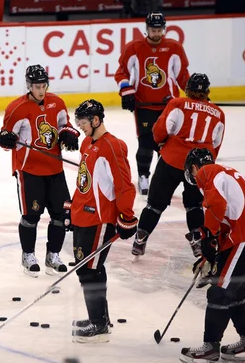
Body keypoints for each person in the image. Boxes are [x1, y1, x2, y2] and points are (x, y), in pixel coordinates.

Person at [180, 148, 245, 363]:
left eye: (192, 172)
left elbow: (216, 206)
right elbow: (227, 214)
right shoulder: (227, 173)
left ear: (194, 167)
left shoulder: (208, 172)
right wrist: (212, 250)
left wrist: (207, 239)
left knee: (219, 291)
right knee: (234, 290)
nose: (195, 179)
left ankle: (210, 346)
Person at [131, 73, 225, 260]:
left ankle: (140, 239)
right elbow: (215, 144)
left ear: (187, 89)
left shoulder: (177, 104)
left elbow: (160, 130)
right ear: (207, 92)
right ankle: (198, 244)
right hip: (199, 168)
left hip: (171, 160)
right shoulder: (218, 113)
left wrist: (161, 144)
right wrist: (205, 167)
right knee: (194, 206)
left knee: (155, 205)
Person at [0, 64, 79, 277]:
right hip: (29, 170)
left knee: (62, 214)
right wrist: (5, 139)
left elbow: (65, 125)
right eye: (36, 86)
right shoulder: (16, 108)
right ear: (29, 86)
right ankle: (28, 255)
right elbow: (5, 139)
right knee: (31, 216)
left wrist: (69, 133)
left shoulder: (57, 103)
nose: (41, 90)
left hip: (54, 169)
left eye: (43, 85)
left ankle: (53, 255)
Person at [68, 99, 138, 343]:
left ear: (96, 120)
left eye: (84, 123)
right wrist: (72, 207)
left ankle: (98, 325)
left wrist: (127, 217)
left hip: (100, 219)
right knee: (89, 269)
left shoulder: (113, 146)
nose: (81, 128)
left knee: (89, 271)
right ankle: (100, 318)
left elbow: (124, 185)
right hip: (83, 215)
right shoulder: (87, 143)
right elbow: (85, 180)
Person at [114, 11, 191, 195]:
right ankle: (143, 177)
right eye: (152, 30)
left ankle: (161, 178)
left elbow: (182, 76)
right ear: (146, 29)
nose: (156, 33)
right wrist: (127, 90)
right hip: (144, 105)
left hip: (169, 105)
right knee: (146, 142)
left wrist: (195, 95)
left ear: (163, 29)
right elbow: (122, 72)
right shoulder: (134, 47)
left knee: (167, 144)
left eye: (159, 30)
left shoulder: (174, 48)